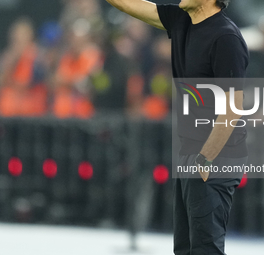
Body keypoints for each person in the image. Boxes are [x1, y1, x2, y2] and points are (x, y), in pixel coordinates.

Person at [106, 0, 249, 254]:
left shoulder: (226, 37)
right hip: (190, 153)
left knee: (205, 248)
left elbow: (233, 107)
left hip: (216, 156)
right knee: (185, 248)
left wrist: (205, 159)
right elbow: (128, 4)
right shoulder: (181, 20)